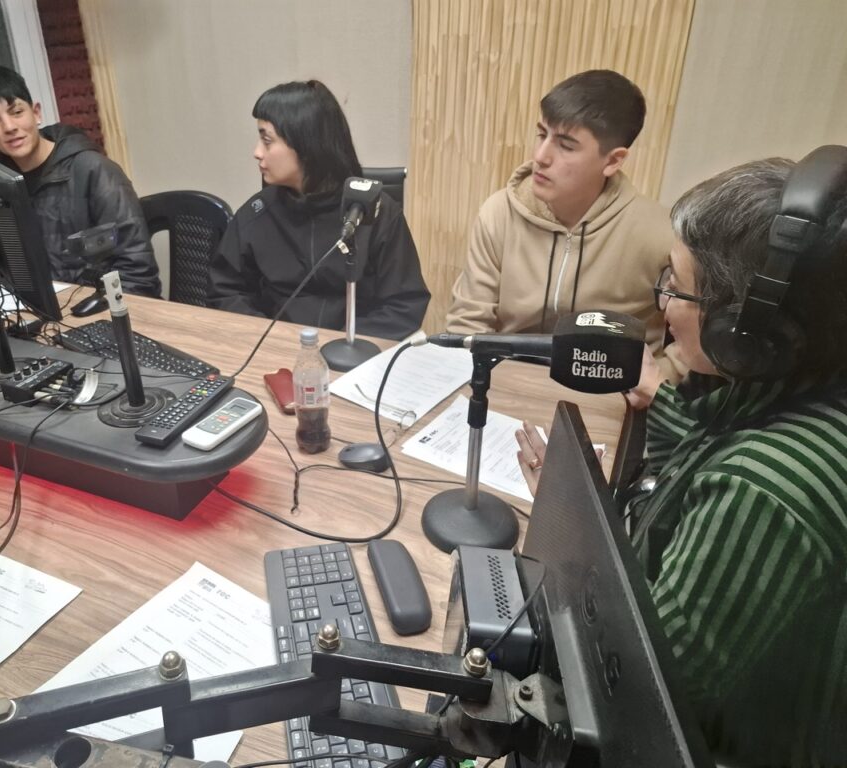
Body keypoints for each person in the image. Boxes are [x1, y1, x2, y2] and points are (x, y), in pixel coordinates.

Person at [517, 156, 847, 764]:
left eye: (677, 284)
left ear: (745, 330)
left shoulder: (761, 490)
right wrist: (657, 399)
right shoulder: (801, 389)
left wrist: (570, 529)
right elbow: (707, 442)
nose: (663, 304)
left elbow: (640, 693)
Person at [446, 69, 682, 381]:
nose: (540, 156)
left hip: (608, 390)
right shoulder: (499, 213)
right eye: (542, 134)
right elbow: (467, 326)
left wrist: (655, 383)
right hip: (505, 381)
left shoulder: (662, 235)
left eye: (566, 145)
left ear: (613, 160)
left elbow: (694, 344)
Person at [208, 80, 430, 340]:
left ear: (306, 144)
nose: (257, 152)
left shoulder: (378, 214)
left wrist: (342, 344)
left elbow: (404, 305)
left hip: (355, 354)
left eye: (267, 140)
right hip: (273, 349)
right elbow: (225, 292)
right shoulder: (257, 213)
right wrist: (268, 336)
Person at [0, 65, 161, 298]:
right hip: (43, 308)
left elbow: (138, 275)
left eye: (17, 112)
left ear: (36, 113)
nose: (9, 127)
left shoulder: (93, 170)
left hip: (107, 306)